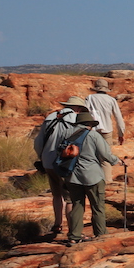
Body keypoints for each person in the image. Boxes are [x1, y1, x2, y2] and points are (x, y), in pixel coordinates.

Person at [52, 98, 116, 243]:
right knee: (98, 206)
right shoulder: (93, 135)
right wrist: (117, 161)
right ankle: (101, 235)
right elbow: (105, 155)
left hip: (72, 175)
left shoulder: (66, 133)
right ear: (90, 124)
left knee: (77, 205)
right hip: (92, 175)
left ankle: (74, 236)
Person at [32, 100, 73, 239]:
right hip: (65, 163)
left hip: (48, 162)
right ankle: (73, 229)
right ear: (78, 108)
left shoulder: (51, 117)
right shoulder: (75, 119)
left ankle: (57, 224)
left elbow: (38, 142)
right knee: (70, 198)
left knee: (56, 194)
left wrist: (42, 158)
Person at [83, 76, 126, 147]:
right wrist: (121, 134)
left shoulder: (89, 98)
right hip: (107, 131)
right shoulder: (111, 100)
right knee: (107, 153)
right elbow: (118, 118)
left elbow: (84, 113)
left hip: (92, 130)